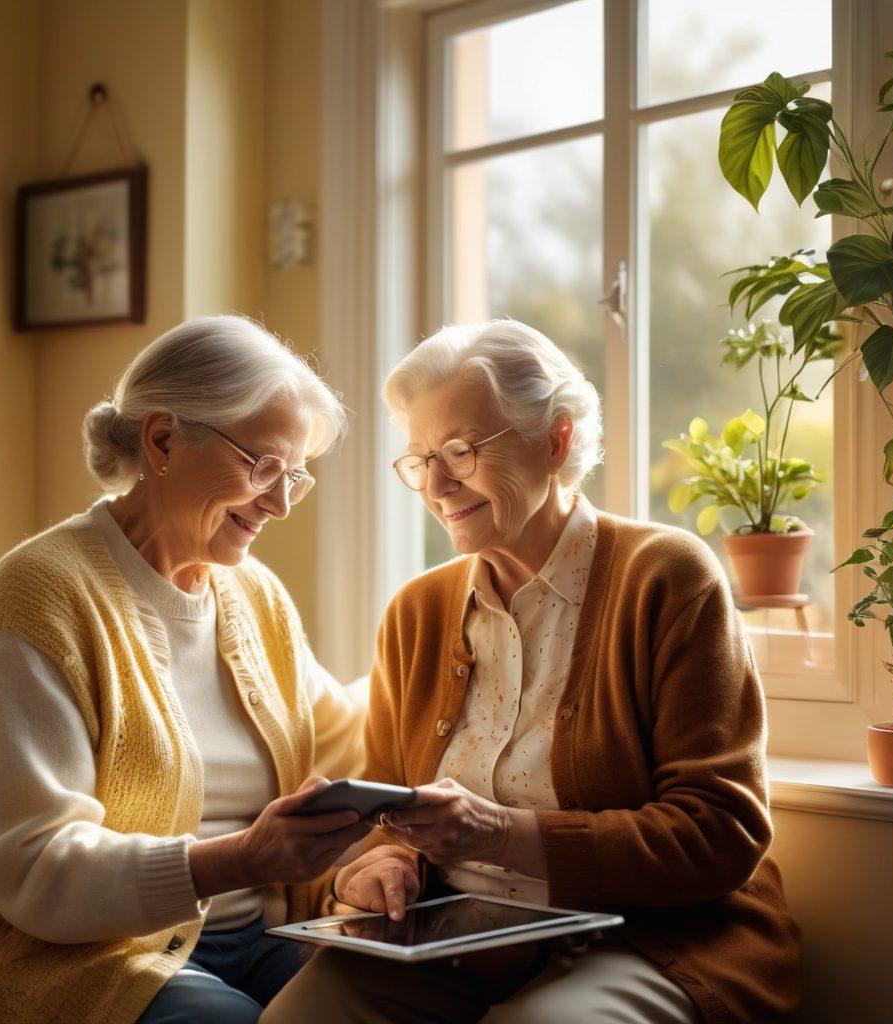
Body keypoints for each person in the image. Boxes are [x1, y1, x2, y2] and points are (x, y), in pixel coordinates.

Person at [262, 318, 800, 1024]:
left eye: (460, 450)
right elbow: (390, 817)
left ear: (558, 439)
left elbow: (720, 832)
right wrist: (382, 865)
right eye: (418, 459)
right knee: (299, 1016)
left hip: (649, 937)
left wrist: (498, 834)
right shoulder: (416, 612)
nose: (435, 483)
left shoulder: (666, 577)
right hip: (455, 934)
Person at [0, 316, 370, 1024]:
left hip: (260, 934)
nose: (281, 504)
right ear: (162, 440)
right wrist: (237, 859)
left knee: (395, 1001)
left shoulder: (254, 596)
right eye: (264, 467)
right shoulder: (42, 595)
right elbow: (36, 869)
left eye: (296, 476)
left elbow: (348, 742)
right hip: (74, 954)